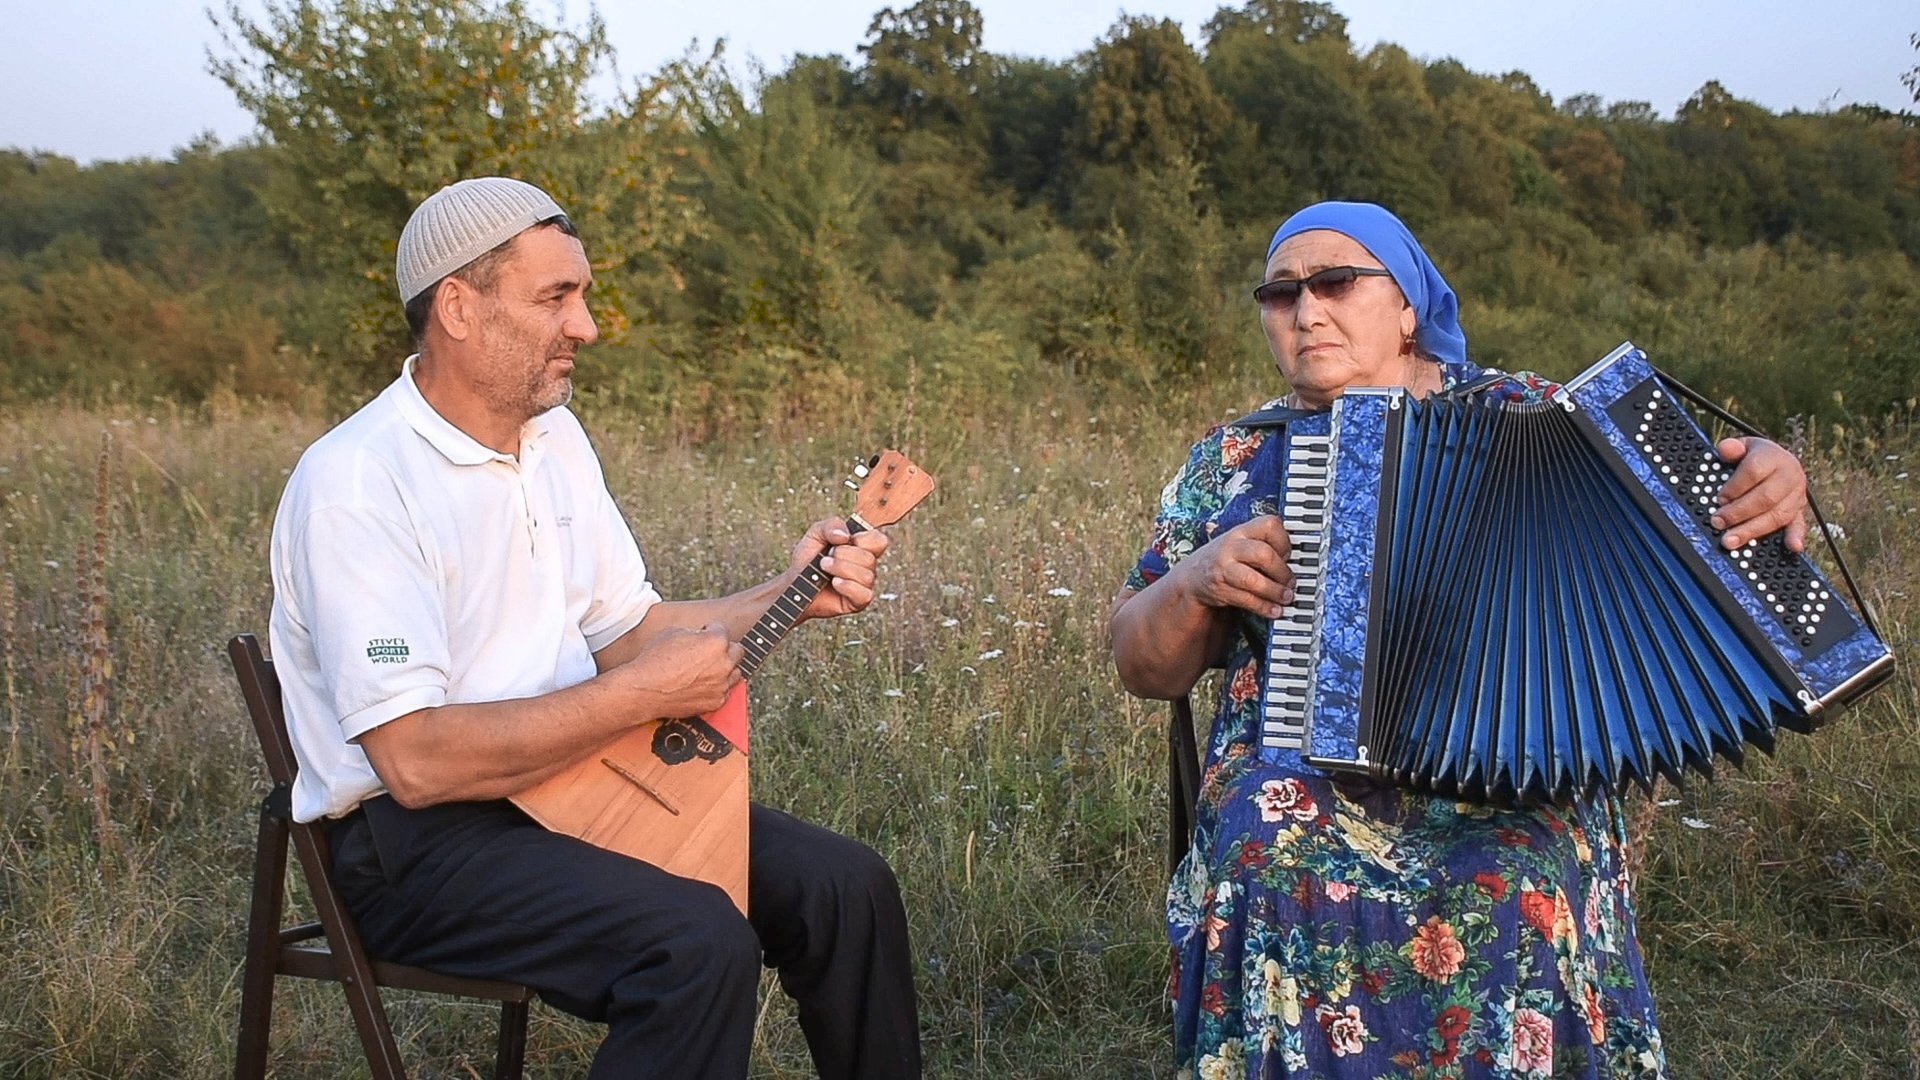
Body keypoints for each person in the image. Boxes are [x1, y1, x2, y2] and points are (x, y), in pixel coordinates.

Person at [1109, 201, 1812, 1079]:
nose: (1306, 310)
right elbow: (1141, 661)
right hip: (1297, 768)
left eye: (1335, 282)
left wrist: (1769, 475)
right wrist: (1193, 581)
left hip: (1521, 758)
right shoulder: (1236, 458)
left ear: (1408, 306)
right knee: (1266, 852)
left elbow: (1715, 499)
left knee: (1525, 876)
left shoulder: (1536, 417)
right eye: (1280, 293)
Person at [268, 177, 921, 1079]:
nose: (587, 325)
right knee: (695, 946)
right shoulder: (356, 482)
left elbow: (630, 632)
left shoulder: (555, 439)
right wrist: (630, 699)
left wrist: (791, 590)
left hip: (572, 785)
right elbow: (416, 763)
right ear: (458, 307)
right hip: (418, 847)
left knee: (846, 888)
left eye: (580, 295)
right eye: (556, 298)